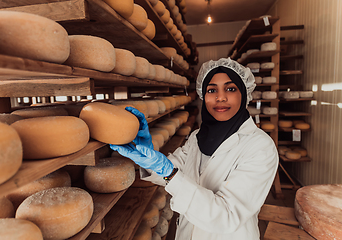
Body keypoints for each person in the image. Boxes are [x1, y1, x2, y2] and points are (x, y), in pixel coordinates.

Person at [110, 57, 279, 240]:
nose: (220, 97)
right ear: (203, 96)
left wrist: (169, 172)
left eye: (230, 89)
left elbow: (227, 215)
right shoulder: (198, 137)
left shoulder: (260, 147)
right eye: (211, 90)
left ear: (244, 94)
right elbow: (172, 168)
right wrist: (150, 158)